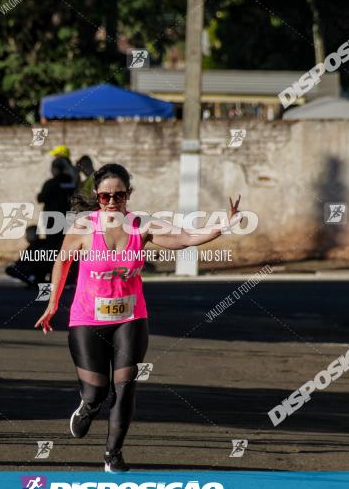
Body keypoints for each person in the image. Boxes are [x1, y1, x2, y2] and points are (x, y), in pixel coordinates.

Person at [34, 163, 242, 473]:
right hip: (87, 319)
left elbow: (185, 238)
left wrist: (221, 226)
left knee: (126, 385)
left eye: (119, 195)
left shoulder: (142, 225)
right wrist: (52, 303)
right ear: (97, 196)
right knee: (97, 392)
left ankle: (113, 454)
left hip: (131, 317)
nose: (112, 202)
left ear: (128, 195)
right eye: (106, 196)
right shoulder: (83, 228)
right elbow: (62, 263)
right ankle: (88, 407)